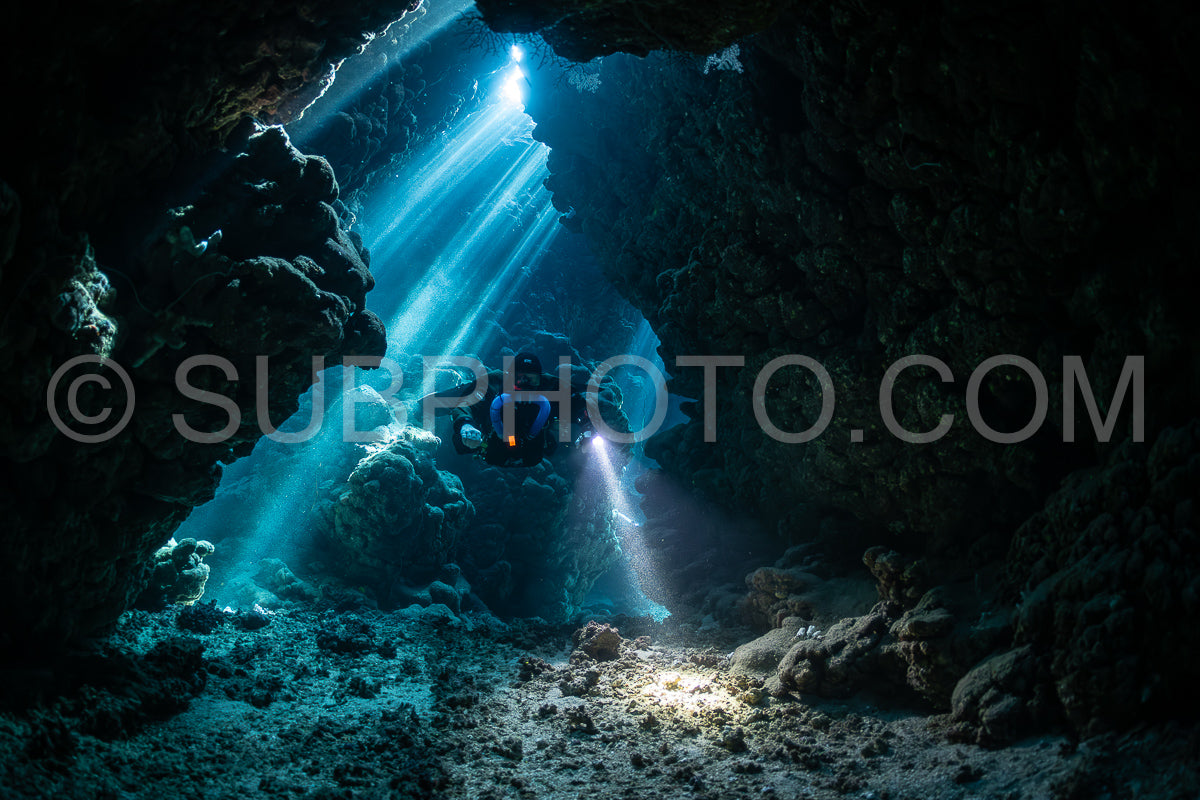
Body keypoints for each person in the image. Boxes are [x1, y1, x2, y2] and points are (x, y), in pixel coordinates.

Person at [438, 353, 583, 468]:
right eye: (520, 379)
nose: (526, 385)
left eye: (532, 380)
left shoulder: (549, 385)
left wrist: (587, 428)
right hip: (491, 446)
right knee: (460, 442)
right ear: (509, 377)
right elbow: (466, 404)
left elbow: (578, 402)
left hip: (533, 450)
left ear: (540, 379)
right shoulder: (493, 383)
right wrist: (466, 425)